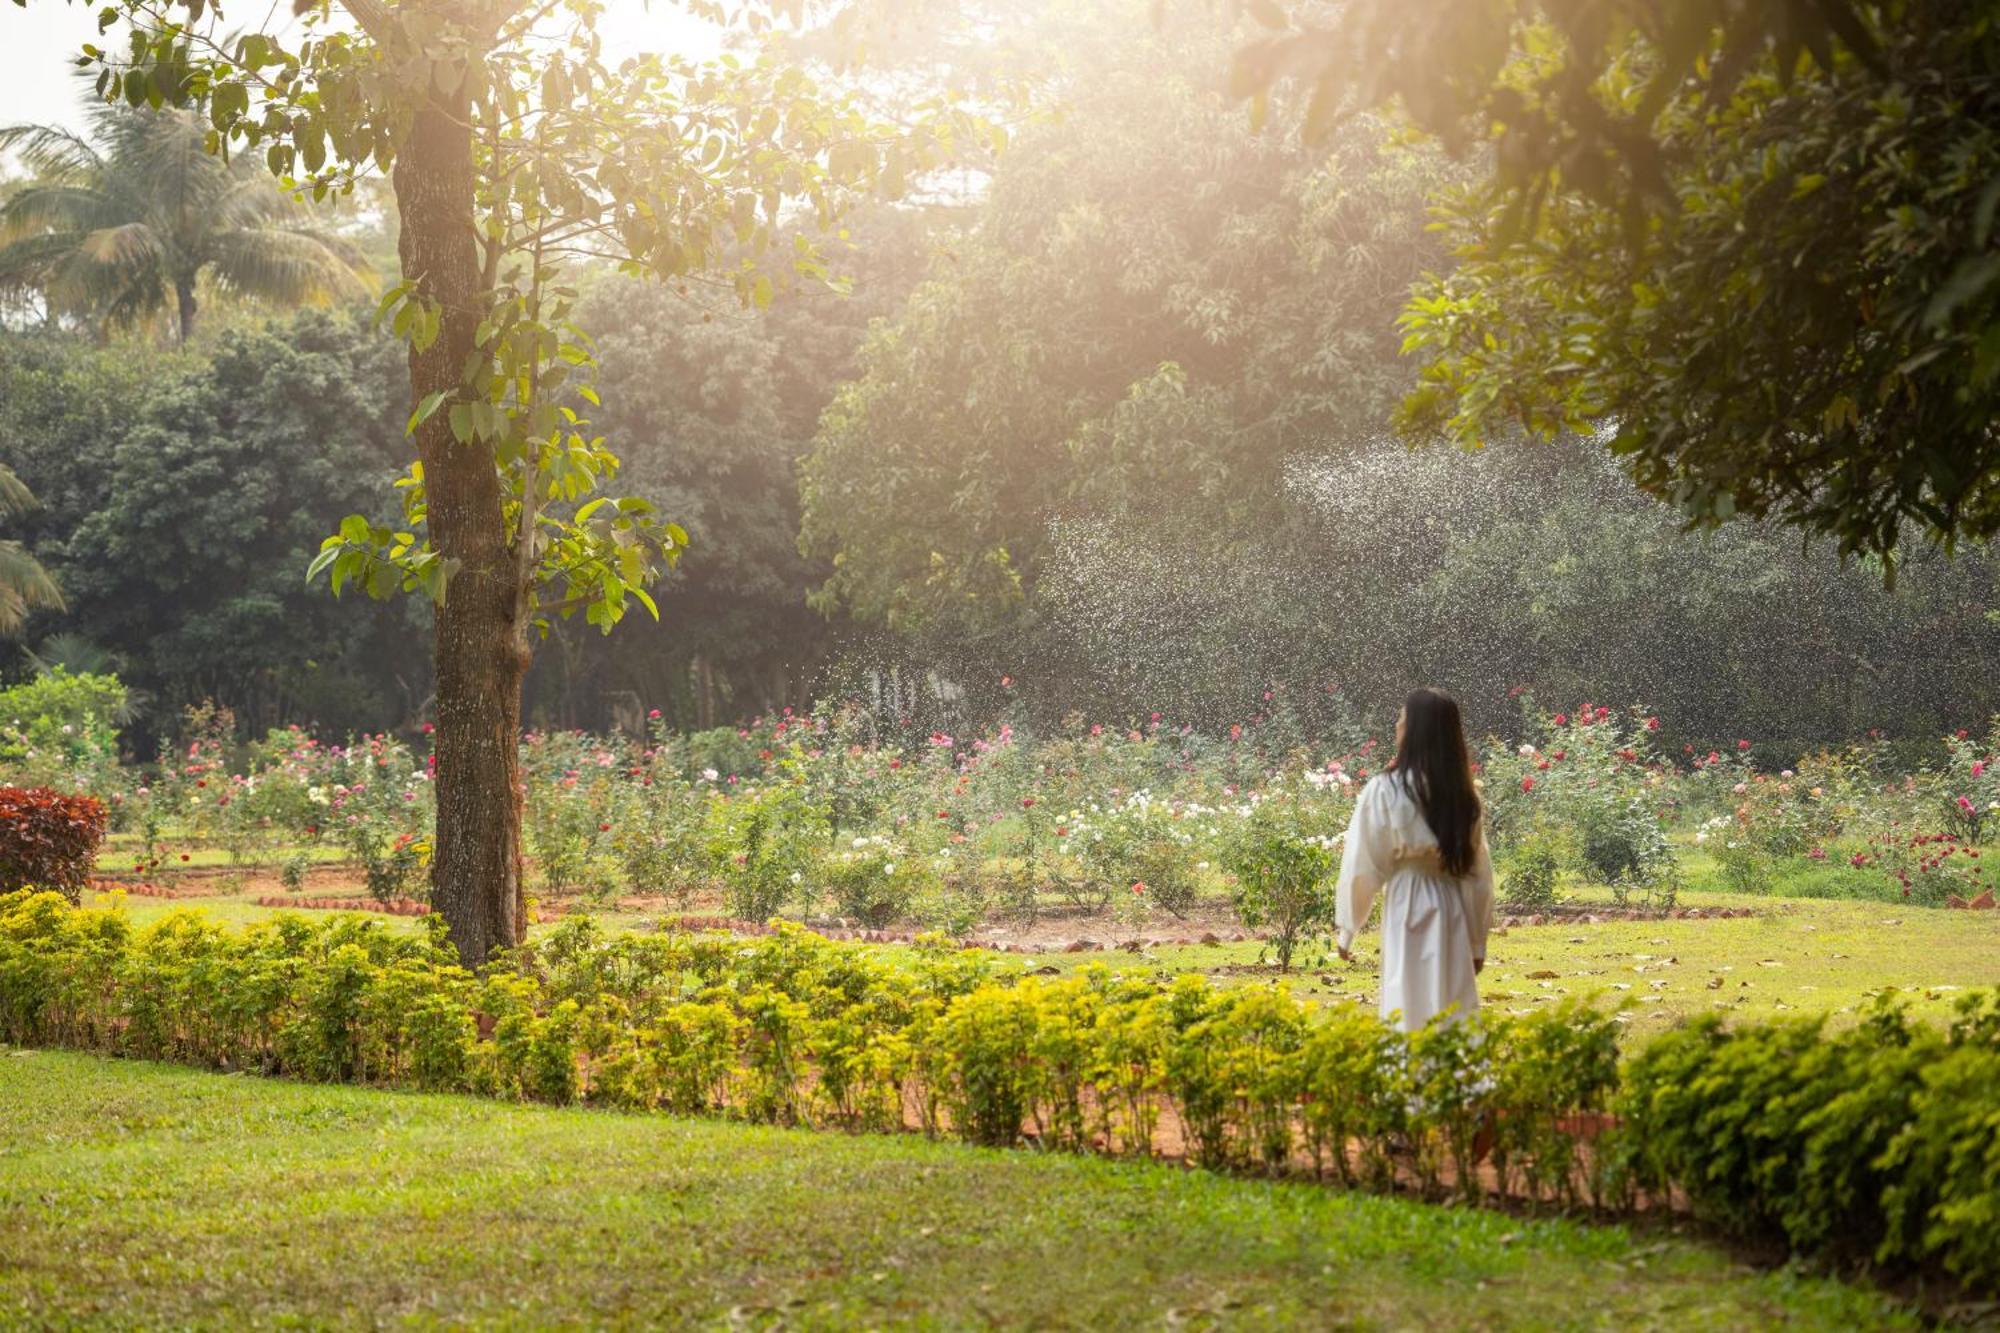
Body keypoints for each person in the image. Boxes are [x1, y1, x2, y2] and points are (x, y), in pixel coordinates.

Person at [1334, 687, 1496, 1031]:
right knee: (1451, 1000)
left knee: (1406, 996)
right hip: (1450, 906)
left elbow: (1364, 864)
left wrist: (1348, 928)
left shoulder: (1387, 790)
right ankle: (1453, 1073)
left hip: (1407, 904)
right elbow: (1477, 873)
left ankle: (1410, 1072)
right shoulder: (1463, 796)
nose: (1396, 725)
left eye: (1402, 719)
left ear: (1416, 730)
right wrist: (1477, 941)